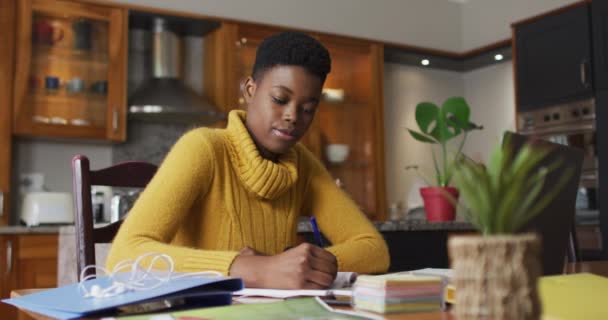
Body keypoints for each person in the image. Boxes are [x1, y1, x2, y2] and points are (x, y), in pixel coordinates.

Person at [107, 31, 390, 289]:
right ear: (250, 90)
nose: (293, 116)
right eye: (280, 99)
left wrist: (301, 266)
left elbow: (373, 248)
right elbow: (123, 255)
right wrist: (254, 268)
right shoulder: (203, 148)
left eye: (307, 109)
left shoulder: (302, 165)